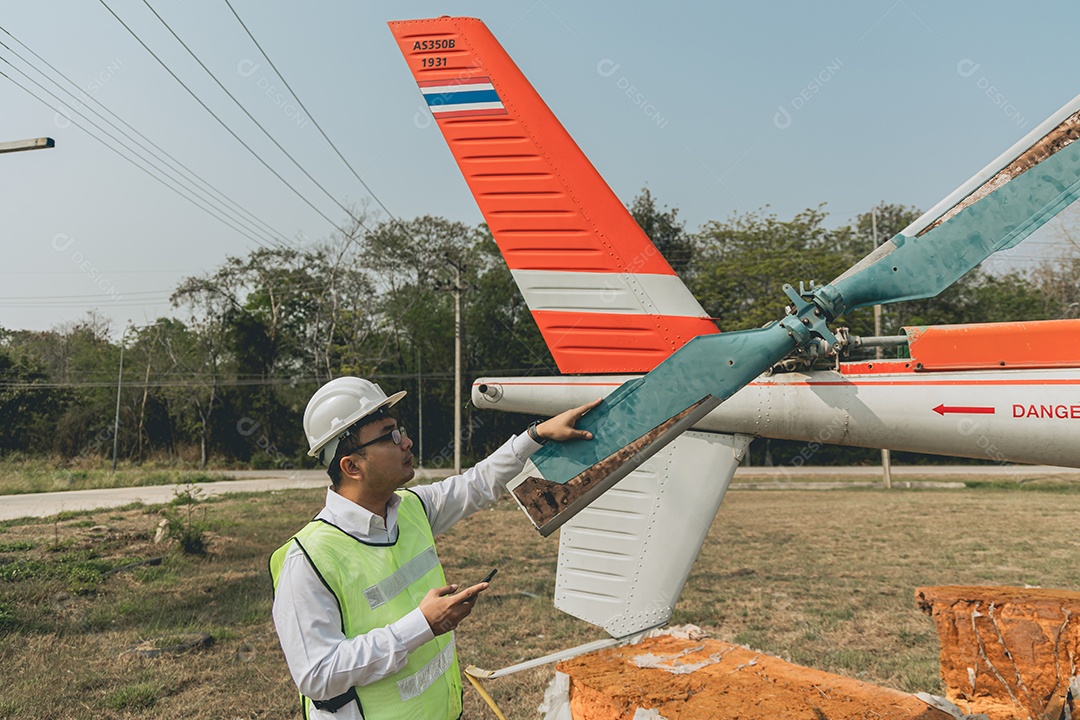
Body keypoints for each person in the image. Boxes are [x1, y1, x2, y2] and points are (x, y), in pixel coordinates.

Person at [270, 376, 599, 719]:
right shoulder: (306, 559)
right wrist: (422, 625)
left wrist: (536, 434)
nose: (406, 442)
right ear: (352, 466)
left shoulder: (411, 509)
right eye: (390, 436)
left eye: (400, 430)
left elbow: (477, 484)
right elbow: (317, 675)